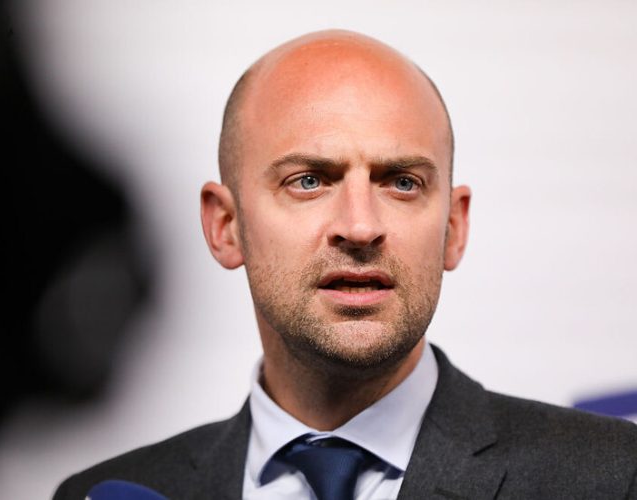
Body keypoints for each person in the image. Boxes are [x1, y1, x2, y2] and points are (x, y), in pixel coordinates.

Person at [53, 30, 637, 500]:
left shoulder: (610, 479)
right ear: (225, 226)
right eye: (309, 181)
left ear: (454, 228)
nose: (360, 227)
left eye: (402, 183)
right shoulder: (104, 494)